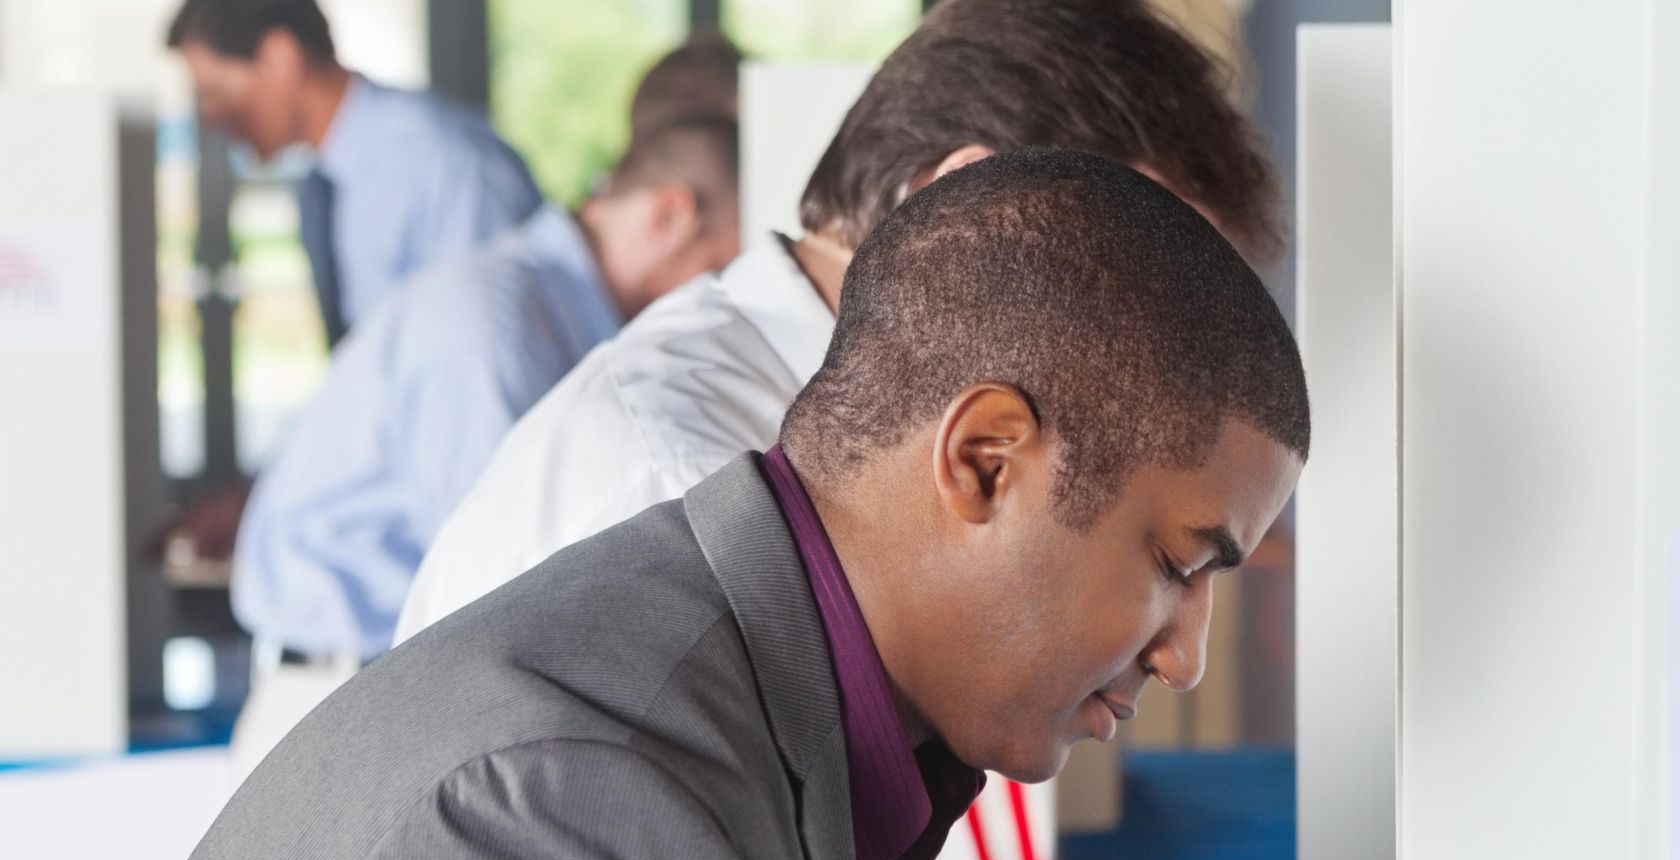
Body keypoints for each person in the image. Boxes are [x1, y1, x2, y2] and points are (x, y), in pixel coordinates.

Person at [135, 149, 1310, 860]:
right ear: (986, 461)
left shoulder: (848, 725)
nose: (1187, 658)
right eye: (1177, 566)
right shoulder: (576, 802)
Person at [394, 0, 1282, 641]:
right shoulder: (688, 491)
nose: (1155, 366)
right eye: (1139, 292)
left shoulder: (833, 440)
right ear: (963, 207)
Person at [224, 117, 740, 774]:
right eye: (721, 266)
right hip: (348, 708)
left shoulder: (541, 310)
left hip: (383, 689)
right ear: (669, 215)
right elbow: (504, 588)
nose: (720, 301)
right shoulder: (492, 325)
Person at [167, 0, 541, 343]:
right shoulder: (324, 184)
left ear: (279, 58)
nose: (209, 118)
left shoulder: (445, 163)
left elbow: (487, 353)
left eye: (215, 93)